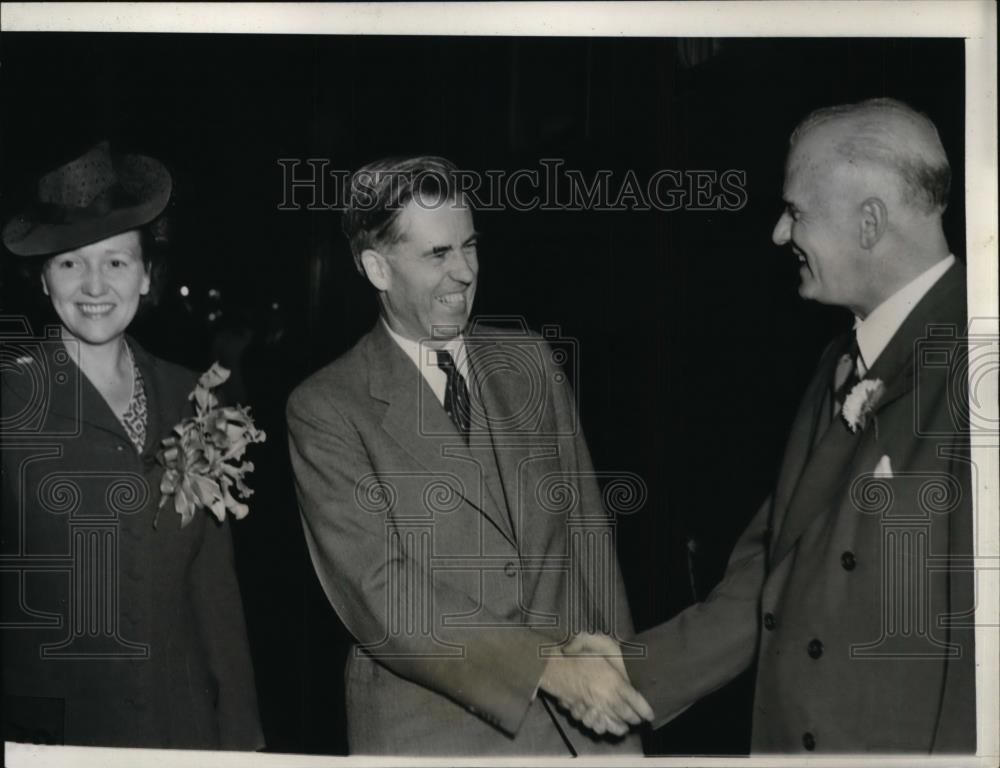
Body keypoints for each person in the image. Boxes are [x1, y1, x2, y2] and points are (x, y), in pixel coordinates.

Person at [576, 98, 976, 753]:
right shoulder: (834, 363)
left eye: (796, 213)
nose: (779, 235)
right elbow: (775, 571)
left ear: (869, 222)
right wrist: (632, 670)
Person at [286, 155, 652, 754]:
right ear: (377, 268)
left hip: (579, 735)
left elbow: (589, 538)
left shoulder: (531, 361)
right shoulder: (326, 407)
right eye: (437, 255)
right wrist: (554, 671)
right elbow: (383, 596)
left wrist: (622, 705)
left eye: (470, 246)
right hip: (432, 737)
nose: (464, 272)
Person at [1, 141, 264, 749]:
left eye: (116, 263)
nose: (94, 285)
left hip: (183, 728)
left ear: (147, 274)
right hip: (55, 738)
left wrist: (242, 738)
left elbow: (215, 591)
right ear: (43, 279)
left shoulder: (198, 400)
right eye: (70, 263)